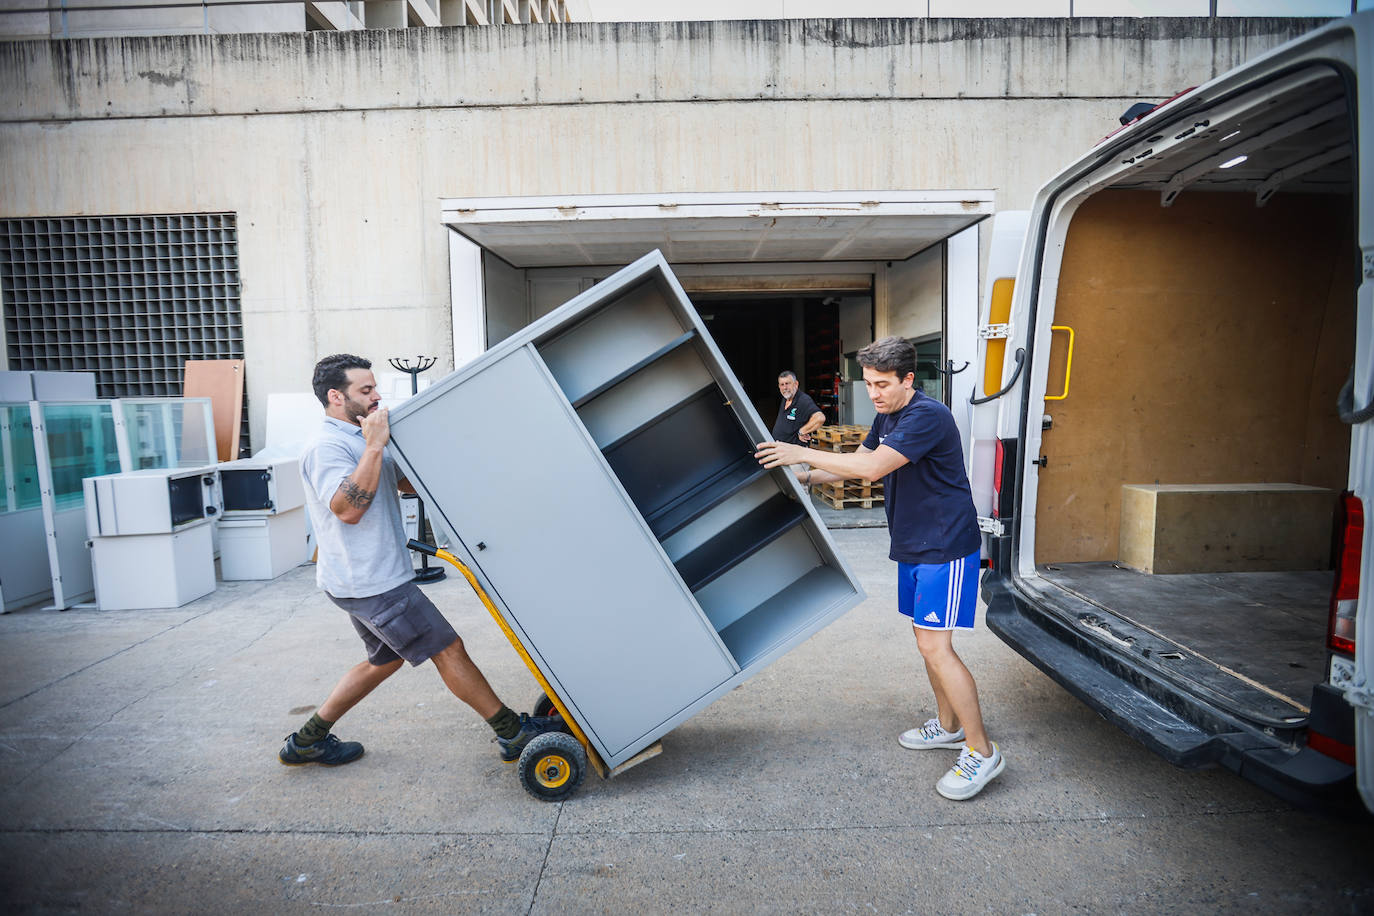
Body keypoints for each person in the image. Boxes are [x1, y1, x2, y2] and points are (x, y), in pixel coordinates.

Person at [279, 353, 561, 767]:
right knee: (448, 648)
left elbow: (401, 482)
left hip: (362, 579)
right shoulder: (327, 446)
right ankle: (512, 733)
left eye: (375, 387)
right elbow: (347, 508)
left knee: (385, 660)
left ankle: (307, 740)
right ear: (336, 397)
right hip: (374, 582)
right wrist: (376, 445)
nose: (377, 396)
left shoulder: (358, 436)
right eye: (366, 390)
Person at [755, 336, 1004, 800]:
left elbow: (873, 471)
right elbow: (859, 462)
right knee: (925, 641)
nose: (874, 393)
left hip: (945, 546)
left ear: (909, 379)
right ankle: (948, 725)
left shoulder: (927, 416)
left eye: (883, 384)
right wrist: (802, 477)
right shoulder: (888, 414)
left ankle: (982, 751)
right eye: (869, 384)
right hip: (914, 544)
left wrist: (800, 452)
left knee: (936, 647)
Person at [772, 370, 827, 445]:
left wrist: (802, 431)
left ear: (796, 384)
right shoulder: (785, 398)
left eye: (787, 384)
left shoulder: (803, 400)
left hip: (794, 452)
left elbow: (820, 418)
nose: (785, 387)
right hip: (780, 449)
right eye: (782, 384)